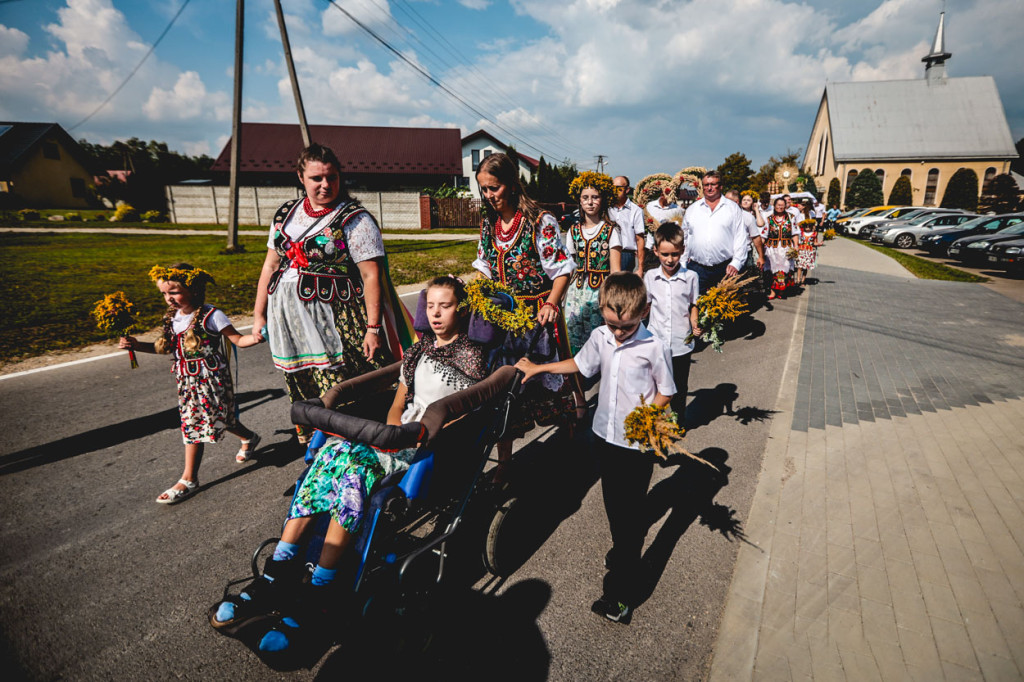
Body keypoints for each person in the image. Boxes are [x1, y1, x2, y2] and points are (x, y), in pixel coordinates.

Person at [211, 276, 487, 651]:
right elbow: (399, 400)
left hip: (425, 446)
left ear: (461, 308)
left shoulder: (472, 356)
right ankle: (279, 570)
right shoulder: (419, 348)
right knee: (330, 456)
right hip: (394, 437)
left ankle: (322, 587)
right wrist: (391, 429)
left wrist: (409, 439)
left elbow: (460, 414)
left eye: (447, 306)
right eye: (432, 306)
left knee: (354, 470)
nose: (437, 314)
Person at [516, 273, 675, 625]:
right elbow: (581, 365)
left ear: (645, 311)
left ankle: (621, 596)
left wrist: (649, 417)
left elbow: (666, 391)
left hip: (637, 444)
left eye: (626, 327)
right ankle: (623, 551)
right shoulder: (601, 336)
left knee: (627, 517)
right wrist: (539, 368)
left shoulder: (654, 346)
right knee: (616, 507)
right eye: (612, 325)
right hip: (605, 437)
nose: (618, 334)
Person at [252, 144, 398, 444]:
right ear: (300, 177)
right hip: (289, 324)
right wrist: (258, 314)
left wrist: (373, 328)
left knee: (340, 387)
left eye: (331, 176)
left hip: (336, 322)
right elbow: (270, 265)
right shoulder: (286, 214)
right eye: (316, 178)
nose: (325, 185)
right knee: (301, 382)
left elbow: (372, 275)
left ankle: (349, 445)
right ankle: (317, 447)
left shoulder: (354, 219)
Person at [119, 263, 263, 503]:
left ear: (194, 289)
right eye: (164, 293)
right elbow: (165, 348)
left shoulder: (211, 315)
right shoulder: (172, 318)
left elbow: (237, 339)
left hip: (212, 380)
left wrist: (256, 337)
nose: (168, 298)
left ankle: (189, 480)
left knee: (210, 420)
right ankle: (248, 438)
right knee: (201, 422)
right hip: (187, 382)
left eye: (173, 292)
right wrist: (137, 345)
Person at [472, 152, 581, 468]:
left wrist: (550, 303)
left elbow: (561, 270)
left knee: (545, 387)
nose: (489, 196)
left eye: (494, 188)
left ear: (510, 184)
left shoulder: (539, 221)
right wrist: (472, 291)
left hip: (536, 319)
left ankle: (572, 439)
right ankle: (504, 465)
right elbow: (485, 267)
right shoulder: (489, 223)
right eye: (484, 190)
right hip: (503, 321)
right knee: (504, 393)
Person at [643, 223, 700, 419]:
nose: (670, 259)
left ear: (682, 251)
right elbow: (646, 306)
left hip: (681, 342)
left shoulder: (691, 277)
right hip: (655, 340)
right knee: (653, 383)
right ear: (656, 251)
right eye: (665, 254)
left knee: (679, 384)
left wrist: (695, 322)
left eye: (675, 254)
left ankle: (678, 418)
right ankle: (652, 420)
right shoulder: (650, 277)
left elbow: (694, 304)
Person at [564, 171, 621, 353]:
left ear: (602, 200)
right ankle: (578, 377)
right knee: (573, 337)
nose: (590, 202)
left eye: (595, 197)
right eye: (585, 197)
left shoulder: (611, 230)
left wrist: (614, 301)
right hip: (575, 293)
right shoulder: (573, 231)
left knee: (600, 339)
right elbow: (568, 267)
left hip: (600, 293)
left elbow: (616, 271)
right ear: (580, 201)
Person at [680, 170, 749, 294]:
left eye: (713, 184)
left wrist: (736, 263)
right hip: (696, 268)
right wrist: (682, 263)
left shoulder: (732, 209)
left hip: (724, 268)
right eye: (706, 185)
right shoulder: (692, 209)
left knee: (725, 308)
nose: (709, 188)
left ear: (721, 186)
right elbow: (684, 238)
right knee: (696, 306)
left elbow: (740, 237)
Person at [764, 197, 801, 298]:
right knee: (772, 269)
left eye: (782, 205)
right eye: (778, 205)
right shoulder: (769, 218)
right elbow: (764, 234)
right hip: (772, 247)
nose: (780, 207)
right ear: (774, 206)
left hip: (786, 247)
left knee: (784, 269)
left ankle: (781, 290)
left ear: (785, 206)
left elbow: (795, 233)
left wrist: (796, 246)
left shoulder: (791, 217)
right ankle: (773, 291)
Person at [608, 176, 647, 275]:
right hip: (607, 252)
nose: (615, 191)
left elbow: (640, 239)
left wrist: (640, 267)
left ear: (627, 190)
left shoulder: (636, 211)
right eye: (613, 188)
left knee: (622, 287)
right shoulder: (607, 208)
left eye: (619, 188)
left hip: (625, 255)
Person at [795, 218, 821, 286]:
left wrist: (818, 244)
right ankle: (798, 280)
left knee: (805, 267)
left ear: (812, 227)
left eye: (809, 226)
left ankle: (803, 280)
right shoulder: (801, 233)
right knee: (799, 266)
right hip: (801, 250)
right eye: (806, 226)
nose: (807, 228)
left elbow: (815, 243)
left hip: (809, 251)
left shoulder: (814, 234)